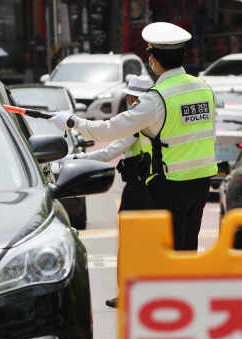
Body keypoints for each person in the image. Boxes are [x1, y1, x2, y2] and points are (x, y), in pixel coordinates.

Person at [48, 22, 217, 252]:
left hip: (169, 187)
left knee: (165, 256)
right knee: (187, 251)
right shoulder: (204, 89)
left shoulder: (157, 99)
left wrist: (73, 122)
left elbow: (111, 130)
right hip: (200, 185)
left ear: (153, 59)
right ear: (184, 54)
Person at [69, 75, 155, 309]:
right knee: (150, 243)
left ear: (131, 97)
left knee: (129, 244)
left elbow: (110, 151)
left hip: (138, 188)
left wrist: (76, 158)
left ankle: (127, 294)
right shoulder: (156, 114)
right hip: (155, 186)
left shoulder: (137, 120)